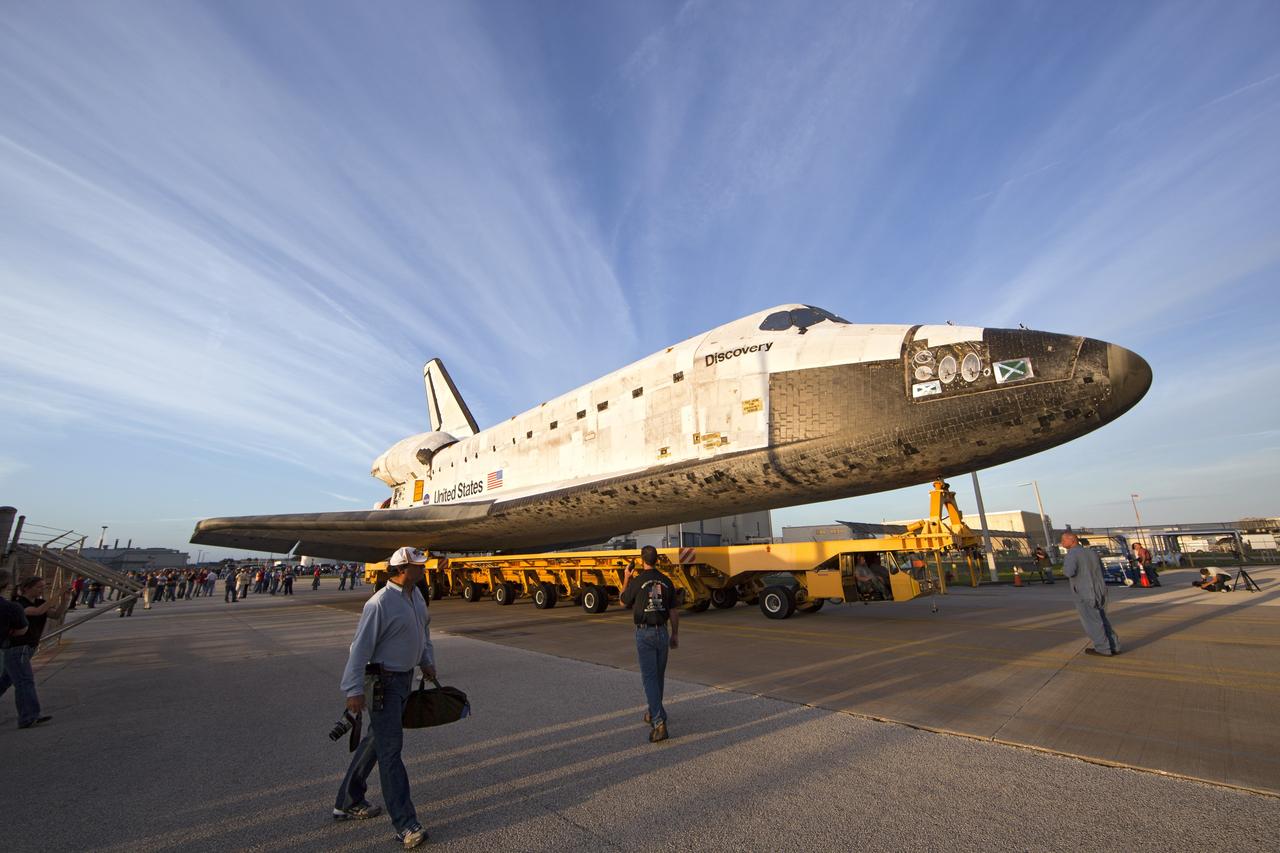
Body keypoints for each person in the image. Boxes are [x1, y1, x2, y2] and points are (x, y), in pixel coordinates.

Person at [333, 547, 435, 848]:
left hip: (403, 679)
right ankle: (405, 824)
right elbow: (360, 647)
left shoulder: (415, 596)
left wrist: (426, 660)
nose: (423, 569)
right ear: (401, 568)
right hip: (383, 683)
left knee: (378, 741)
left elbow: (423, 631)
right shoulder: (380, 603)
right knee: (391, 750)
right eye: (418, 566)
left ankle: (348, 801)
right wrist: (353, 689)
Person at [619, 545, 680, 743]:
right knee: (658, 677)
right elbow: (673, 611)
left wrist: (627, 576)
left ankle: (659, 722)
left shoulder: (638, 581)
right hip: (662, 631)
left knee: (649, 679)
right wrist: (675, 634)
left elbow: (623, 601)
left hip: (645, 633)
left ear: (642, 560)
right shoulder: (666, 581)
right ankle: (656, 710)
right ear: (657, 560)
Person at [2, 575, 67, 728]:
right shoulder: (18, 604)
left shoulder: (40, 603)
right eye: (38, 587)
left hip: (29, 648)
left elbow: (56, 614)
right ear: (26, 588)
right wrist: (58, 593)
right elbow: (37, 612)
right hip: (18, 648)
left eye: (43, 587)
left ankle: (28, 715)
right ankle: (29, 716)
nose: (41, 590)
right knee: (25, 681)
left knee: (5, 681)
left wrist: (65, 599)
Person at [1061, 532, 1120, 656]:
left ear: (1072, 540)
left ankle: (1103, 648)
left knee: (1092, 621)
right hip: (1100, 590)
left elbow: (1069, 572)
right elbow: (1101, 570)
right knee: (1102, 619)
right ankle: (1114, 645)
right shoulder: (1091, 552)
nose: (1062, 543)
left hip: (1084, 592)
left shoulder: (1072, 554)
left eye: (1063, 540)